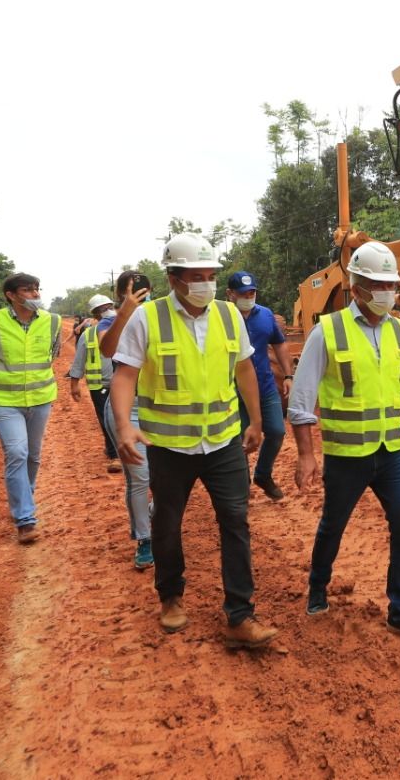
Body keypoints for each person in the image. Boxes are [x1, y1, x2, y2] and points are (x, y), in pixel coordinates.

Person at [109, 233, 278, 649]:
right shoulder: (148, 319)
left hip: (223, 443)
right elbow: (125, 375)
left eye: (211, 275)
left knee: (235, 522)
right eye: (196, 276)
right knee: (167, 524)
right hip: (169, 447)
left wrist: (255, 421)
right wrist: (124, 427)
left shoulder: (228, 315)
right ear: (173, 277)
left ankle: (240, 615)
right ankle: (170, 596)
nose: (206, 283)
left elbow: (243, 371)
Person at [290, 241, 400, 646]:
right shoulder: (328, 331)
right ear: (356, 289)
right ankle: (318, 586)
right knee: (333, 526)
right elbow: (301, 400)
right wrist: (306, 454)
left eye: (391, 284)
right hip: (348, 456)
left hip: (393, 453)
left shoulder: (399, 329)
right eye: (378, 284)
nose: (388, 292)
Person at [0, 272, 62, 544]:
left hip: (41, 397)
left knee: (33, 456)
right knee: (17, 452)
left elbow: (53, 354)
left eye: (36, 289)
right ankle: (25, 519)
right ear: (11, 294)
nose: (35, 294)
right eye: (27, 290)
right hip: (4, 402)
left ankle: (25, 497)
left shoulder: (52, 321)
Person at [98, 272, 155, 571]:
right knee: (140, 476)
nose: (139, 294)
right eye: (131, 290)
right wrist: (125, 312)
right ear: (120, 293)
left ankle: (154, 516)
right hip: (127, 407)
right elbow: (107, 350)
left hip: (162, 408)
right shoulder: (111, 321)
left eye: (144, 289)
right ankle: (145, 538)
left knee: (168, 477)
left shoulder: (161, 317)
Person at [225, 271, 293, 501]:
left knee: (276, 431)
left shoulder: (265, 315)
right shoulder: (221, 318)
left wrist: (288, 375)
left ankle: (263, 474)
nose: (249, 296)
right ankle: (241, 486)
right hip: (233, 391)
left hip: (265, 387)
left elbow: (280, 345)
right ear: (230, 294)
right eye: (243, 293)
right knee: (239, 440)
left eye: (252, 292)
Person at [68, 294, 121, 473]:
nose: (106, 311)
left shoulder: (127, 328)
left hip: (127, 385)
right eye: (101, 309)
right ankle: (115, 455)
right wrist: (74, 384)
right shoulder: (89, 334)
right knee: (106, 420)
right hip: (100, 386)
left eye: (108, 306)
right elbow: (79, 360)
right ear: (95, 314)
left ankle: (123, 450)